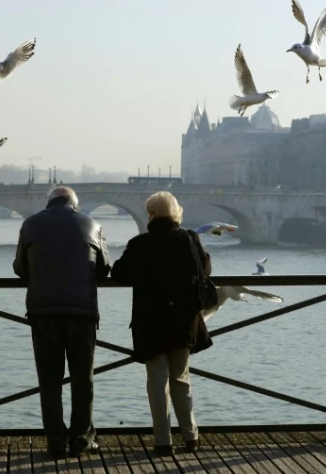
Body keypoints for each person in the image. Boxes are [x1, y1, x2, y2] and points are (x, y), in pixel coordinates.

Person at [111, 191, 212, 455]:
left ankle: (163, 441)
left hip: (151, 321)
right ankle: (191, 437)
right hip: (183, 319)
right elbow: (206, 269)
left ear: (150, 214)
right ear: (176, 212)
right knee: (181, 378)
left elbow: (119, 273)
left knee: (157, 381)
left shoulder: (140, 243)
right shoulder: (190, 240)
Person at [13, 186, 111, 458]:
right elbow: (104, 269)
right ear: (74, 204)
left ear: (49, 203)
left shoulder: (30, 224)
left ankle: (55, 442)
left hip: (43, 313)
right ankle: (81, 440)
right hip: (82, 313)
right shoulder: (92, 223)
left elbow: (20, 268)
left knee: (49, 380)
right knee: (83, 379)